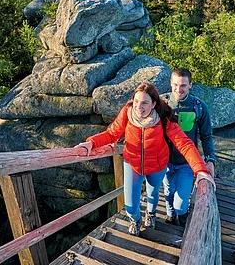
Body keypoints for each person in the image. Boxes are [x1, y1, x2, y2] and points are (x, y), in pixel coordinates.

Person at [74, 82, 214, 236]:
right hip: (132, 163)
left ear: (153, 104)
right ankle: (135, 219)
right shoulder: (127, 113)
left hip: (157, 165)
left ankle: (151, 214)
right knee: (130, 206)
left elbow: (184, 143)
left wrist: (201, 170)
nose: (139, 107)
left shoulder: (163, 118)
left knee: (153, 195)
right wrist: (91, 143)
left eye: (145, 103)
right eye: (136, 102)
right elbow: (112, 133)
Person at [162, 68, 216, 226]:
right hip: (164, 161)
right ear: (170, 84)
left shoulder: (199, 107)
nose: (179, 89)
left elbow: (206, 136)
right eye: (175, 85)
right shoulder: (161, 104)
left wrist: (210, 159)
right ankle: (171, 216)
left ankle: (181, 214)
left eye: (183, 85)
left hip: (186, 163)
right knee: (168, 191)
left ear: (190, 85)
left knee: (181, 201)